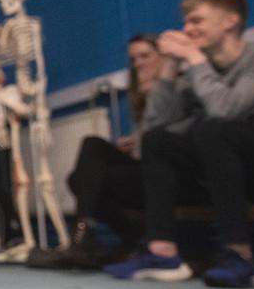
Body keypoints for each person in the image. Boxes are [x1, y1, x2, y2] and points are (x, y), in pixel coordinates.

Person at [104, 0, 254, 287]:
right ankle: (162, 252)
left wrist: (193, 57)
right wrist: (168, 67)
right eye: (186, 22)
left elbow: (226, 110)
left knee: (214, 129)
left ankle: (240, 255)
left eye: (197, 21)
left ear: (230, 21)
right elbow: (156, 127)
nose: (188, 29)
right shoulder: (198, 71)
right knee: (159, 140)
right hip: (221, 170)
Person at [28, 34, 162, 270]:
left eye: (145, 56)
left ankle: (90, 239)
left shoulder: (175, 86)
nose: (138, 63)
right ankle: (87, 236)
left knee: (89, 165)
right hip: (145, 167)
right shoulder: (142, 94)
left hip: (167, 173)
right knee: (83, 171)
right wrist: (135, 142)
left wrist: (158, 92)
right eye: (134, 59)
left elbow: (173, 136)